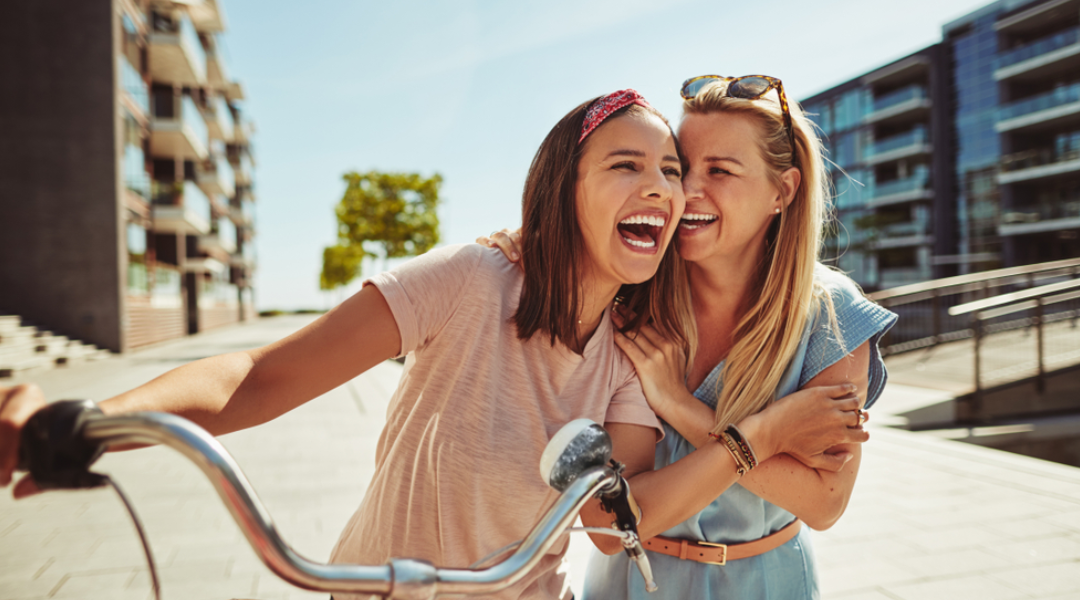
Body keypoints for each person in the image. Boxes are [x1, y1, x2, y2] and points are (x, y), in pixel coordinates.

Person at [0, 89, 869, 600]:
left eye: (671, 172)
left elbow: (619, 516)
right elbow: (254, 378)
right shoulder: (471, 280)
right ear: (561, 189)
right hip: (376, 588)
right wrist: (93, 417)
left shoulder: (637, 348)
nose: (663, 188)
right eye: (626, 166)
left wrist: (749, 427)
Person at [482, 76, 897, 600]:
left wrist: (681, 407)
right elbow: (616, 514)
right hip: (630, 583)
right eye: (681, 167)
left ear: (783, 191)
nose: (686, 191)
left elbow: (824, 503)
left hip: (768, 585)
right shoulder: (631, 295)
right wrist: (523, 248)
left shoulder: (833, 315)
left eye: (719, 170)